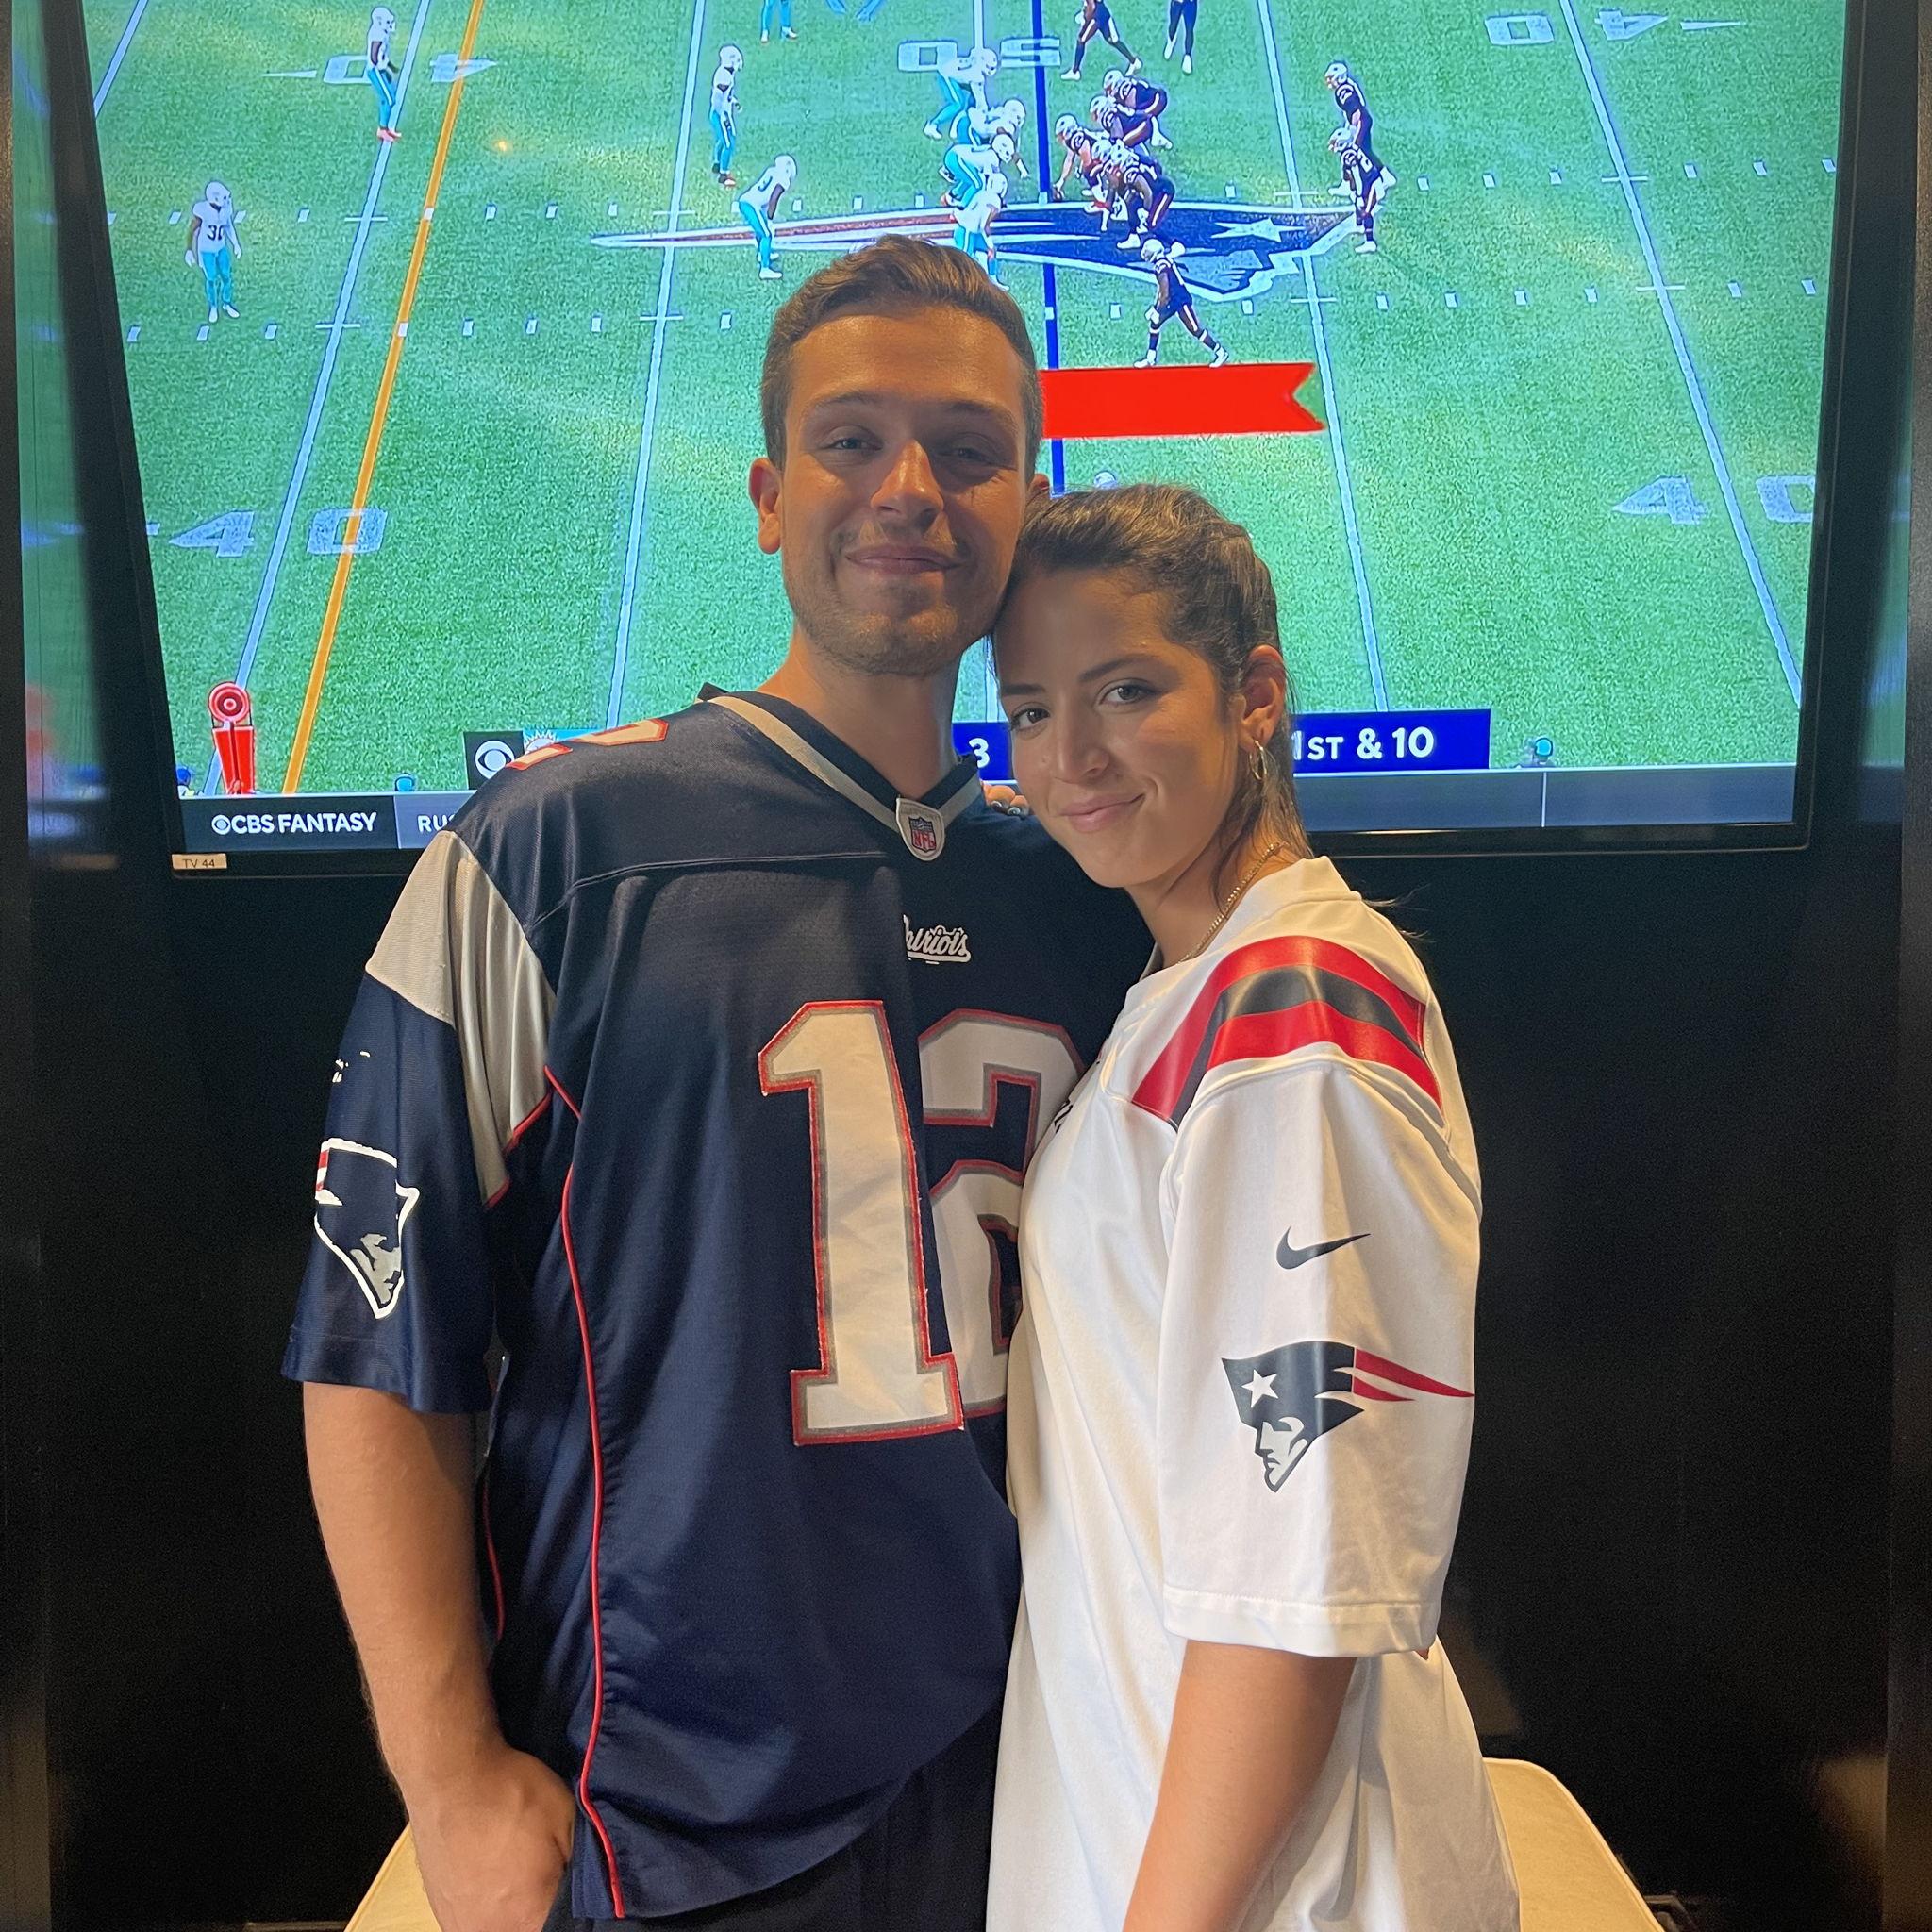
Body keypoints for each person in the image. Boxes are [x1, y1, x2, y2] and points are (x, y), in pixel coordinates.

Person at [284, 236, 1147, 1932]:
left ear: (1026, 506)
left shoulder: (1088, 897)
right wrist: (448, 1781)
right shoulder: (555, 851)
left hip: (1039, 1784)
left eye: (967, 450)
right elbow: (375, 1338)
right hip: (675, 1815)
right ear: (766, 496)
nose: (909, 489)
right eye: (851, 440)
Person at [985, 484, 1520, 1932]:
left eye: (1127, 691)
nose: (1071, 757)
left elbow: (1297, 1591)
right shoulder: (1204, 984)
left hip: (1266, 1887)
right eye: (1031, 710)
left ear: (1256, 695)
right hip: (1164, 1825)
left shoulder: (1293, 1015)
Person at [184, 180, 241, 325]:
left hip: (221, 247)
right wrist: (189, 249)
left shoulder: (226, 208)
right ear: (214, 199)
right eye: (223, 198)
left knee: (226, 276)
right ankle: (213, 306)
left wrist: (235, 244)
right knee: (211, 278)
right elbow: (192, 230)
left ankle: (226, 303)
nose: (227, 200)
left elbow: (228, 226)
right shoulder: (203, 211)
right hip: (206, 250)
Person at [367, 6, 401, 142]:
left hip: (379, 70)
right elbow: (374, 58)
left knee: (387, 98)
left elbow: (382, 56)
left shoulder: (381, 32)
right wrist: (384, 69)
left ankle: (384, 128)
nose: (390, 24)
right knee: (389, 100)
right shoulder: (378, 35)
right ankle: (382, 129)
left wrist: (391, 67)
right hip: (375, 71)